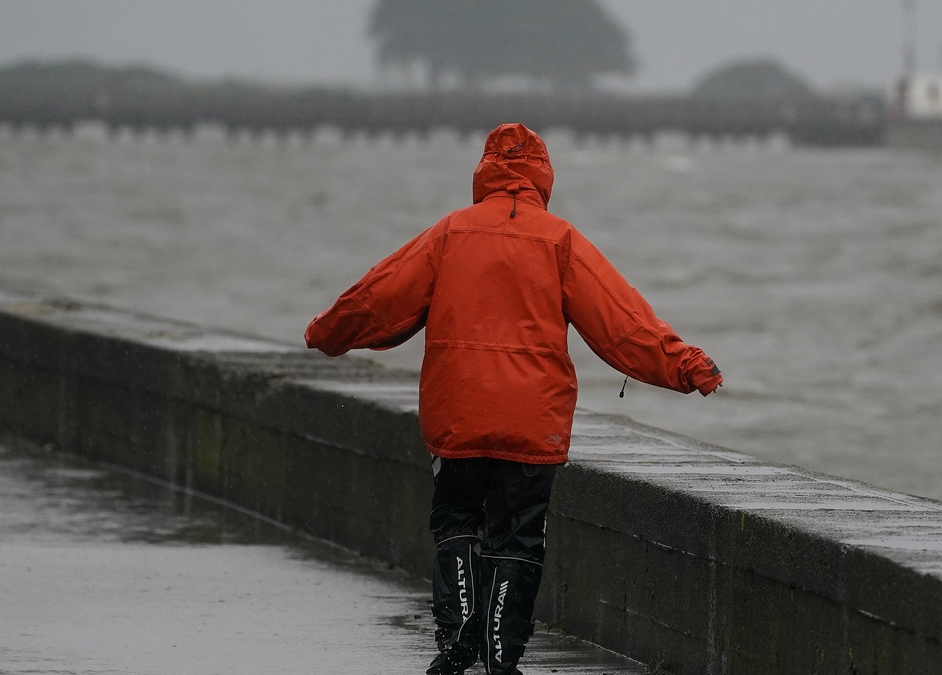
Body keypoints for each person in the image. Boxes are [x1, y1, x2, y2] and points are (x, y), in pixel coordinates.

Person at [304, 123, 722, 675]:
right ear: (543, 175)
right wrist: (688, 365)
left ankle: (456, 643)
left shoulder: (449, 234)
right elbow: (623, 326)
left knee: (456, 523)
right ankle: (501, 659)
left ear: (484, 172)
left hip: (458, 416)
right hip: (533, 422)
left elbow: (380, 300)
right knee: (518, 536)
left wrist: (326, 333)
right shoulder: (560, 241)